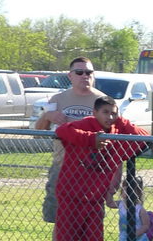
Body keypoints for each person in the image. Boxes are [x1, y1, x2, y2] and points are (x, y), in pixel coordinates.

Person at [53, 96, 149, 241]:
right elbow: (61, 131)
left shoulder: (118, 134)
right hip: (71, 197)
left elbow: (144, 137)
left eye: (114, 112)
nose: (110, 116)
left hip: (95, 201)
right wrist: (92, 139)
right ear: (95, 112)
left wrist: (121, 121)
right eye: (105, 112)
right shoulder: (83, 126)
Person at [36, 56, 107, 224]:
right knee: (59, 221)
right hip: (62, 167)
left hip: (92, 169)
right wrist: (47, 115)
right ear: (70, 76)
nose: (85, 76)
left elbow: (113, 135)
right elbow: (39, 131)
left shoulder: (103, 101)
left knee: (91, 223)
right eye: (79, 72)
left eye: (89, 72)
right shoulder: (57, 100)